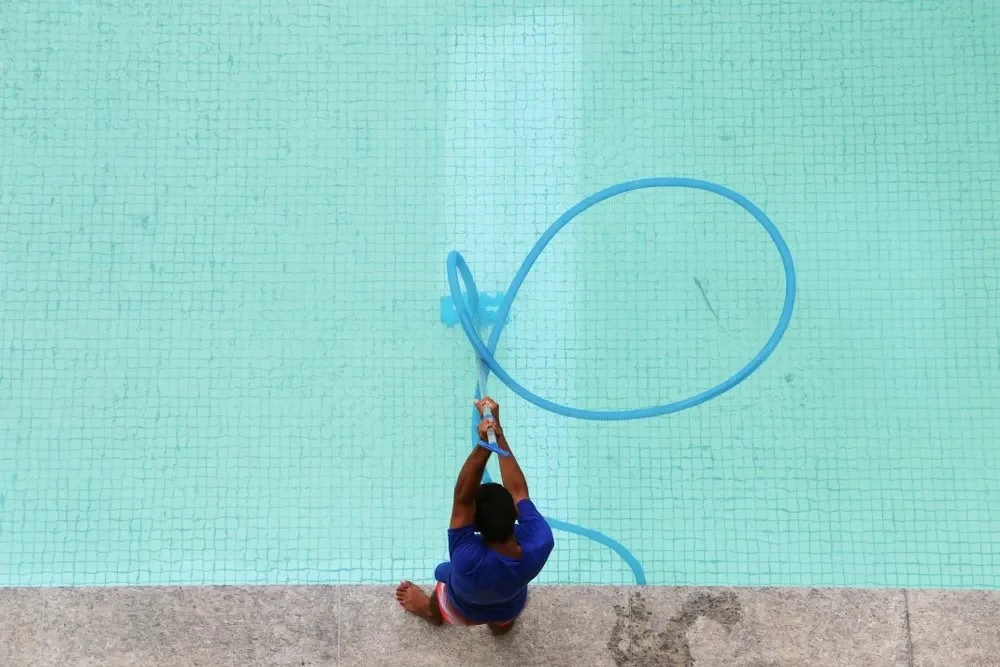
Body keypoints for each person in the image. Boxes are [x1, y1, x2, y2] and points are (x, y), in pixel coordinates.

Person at [395, 396, 554, 635]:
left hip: (462, 612)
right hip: (510, 605)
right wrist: (497, 434)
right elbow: (519, 490)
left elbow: (462, 497)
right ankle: (500, 628)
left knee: (443, 584)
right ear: (514, 512)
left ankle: (430, 613)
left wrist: (484, 443)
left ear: (476, 526)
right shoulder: (541, 541)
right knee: (503, 613)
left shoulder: (467, 557)